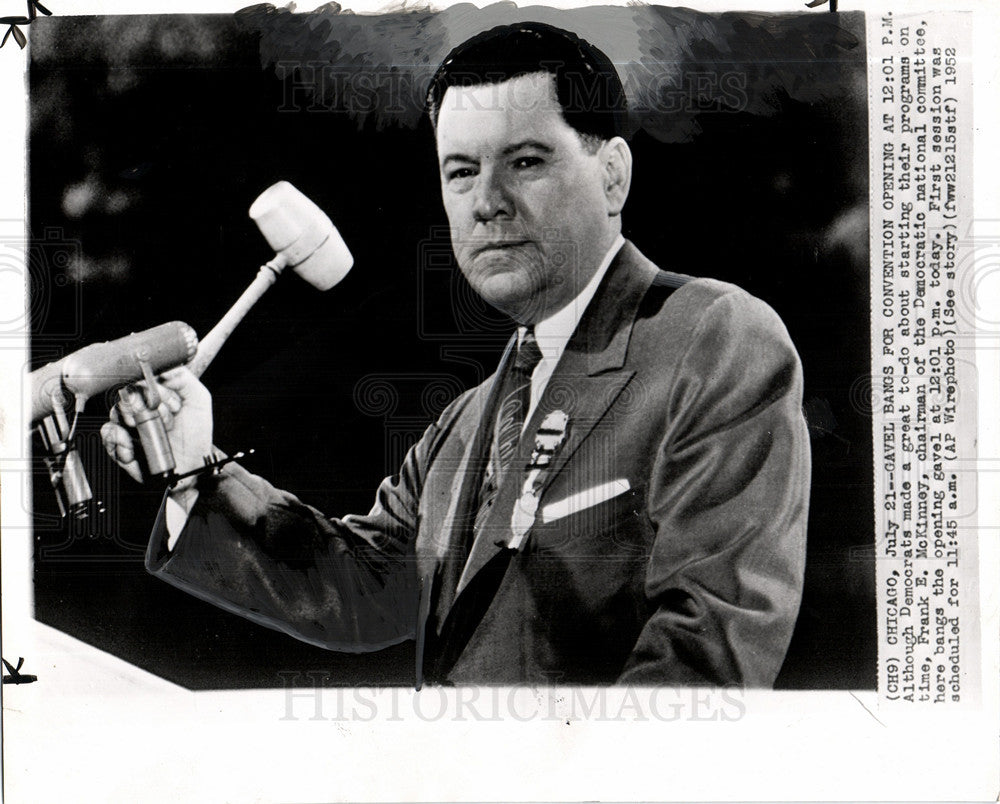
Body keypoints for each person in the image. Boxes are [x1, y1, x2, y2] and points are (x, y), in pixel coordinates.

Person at [102, 22, 810, 687]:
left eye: (525, 161)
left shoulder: (713, 339)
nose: (486, 203)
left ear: (613, 176)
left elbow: (710, 647)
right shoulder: (469, 422)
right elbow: (364, 587)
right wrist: (195, 469)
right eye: (461, 172)